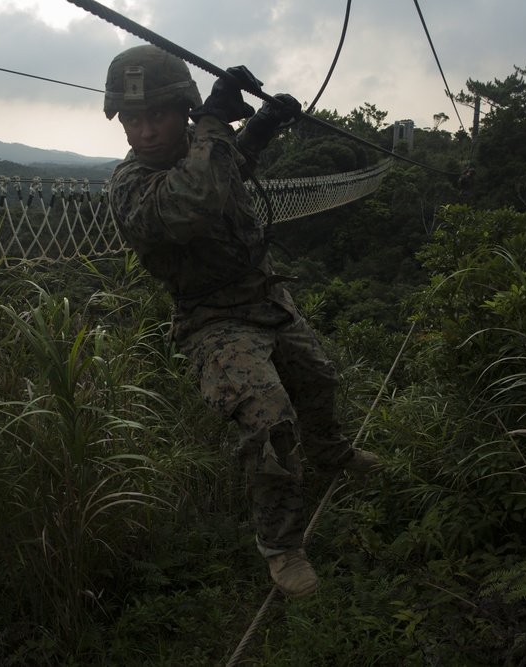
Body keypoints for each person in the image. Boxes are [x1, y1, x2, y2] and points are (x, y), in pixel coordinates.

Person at [103, 44, 381, 598]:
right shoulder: (130, 185)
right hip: (212, 319)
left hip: (264, 296)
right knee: (269, 418)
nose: (146, 130)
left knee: (318, 379)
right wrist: (212, 118)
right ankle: (282, 548)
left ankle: (329, 453)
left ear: (179, 112)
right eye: (133, 119)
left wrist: (260, 127)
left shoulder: (206, 151)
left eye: (157, 114)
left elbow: (231, 167)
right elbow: (195, 198)